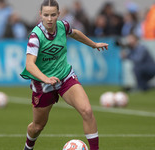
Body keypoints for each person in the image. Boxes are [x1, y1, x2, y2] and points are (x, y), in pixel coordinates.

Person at [20, 0, 108, 150]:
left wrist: (93, 44)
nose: (49, 19)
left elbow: (75, 33)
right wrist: (46, 79)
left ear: (58, 15)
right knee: (38, 126)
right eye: (46, 15)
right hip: (43, 84)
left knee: (87, 111)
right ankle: (28, 147)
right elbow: (29, 65)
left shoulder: (63, 26)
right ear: (40, 15)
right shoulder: (36, 37)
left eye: (53, 15)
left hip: (65, 76)